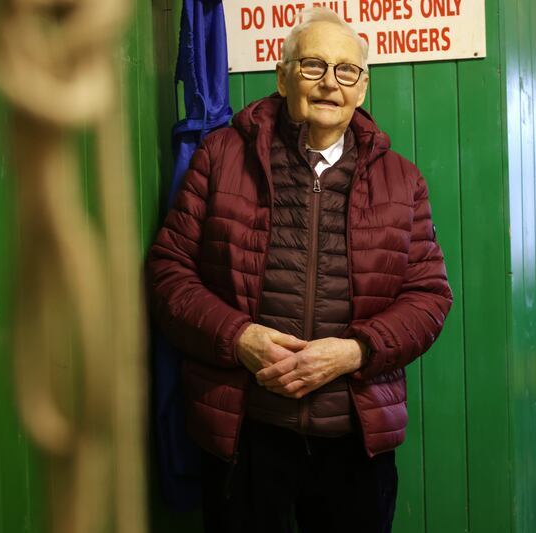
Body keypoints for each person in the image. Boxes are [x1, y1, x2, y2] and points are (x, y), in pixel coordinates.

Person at [148, 7, 452, 533]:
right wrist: (238, 337)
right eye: (312, 66)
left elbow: (429, 299)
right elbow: (169, 275)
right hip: (244, 436)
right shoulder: (222, 157)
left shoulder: (402, 181)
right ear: (283, 76)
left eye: (346, 71)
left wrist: (355, 351)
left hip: (355, 443)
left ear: (362, 89)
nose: (330, 84)